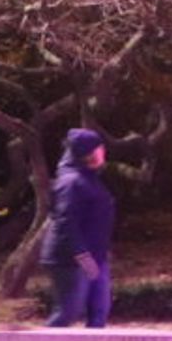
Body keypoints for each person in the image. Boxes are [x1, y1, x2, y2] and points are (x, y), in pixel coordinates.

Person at [41, 128, 117, 329]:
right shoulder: (72, 182)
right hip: (73, 259)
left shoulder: (89, 178)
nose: (103, 152)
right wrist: (84, 257)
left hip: (94, 257)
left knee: (99, 309)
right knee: (69, 310)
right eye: (99, 148)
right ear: (88, 153)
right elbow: (67, 223)